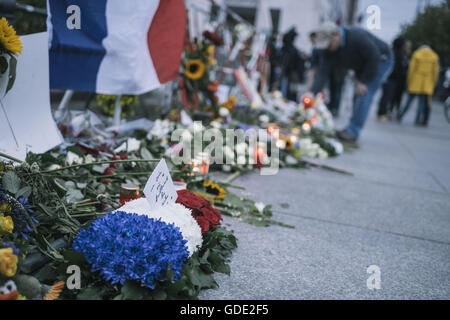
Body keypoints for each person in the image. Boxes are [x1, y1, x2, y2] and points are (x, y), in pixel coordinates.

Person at [311, 22, 394, 143]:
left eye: (328, 44)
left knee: (364, 93)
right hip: (361, 65)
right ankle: (350, 128)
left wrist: (363, 81)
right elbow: (323, 73)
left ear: (336, 35)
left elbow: (374, 57)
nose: (327, 48)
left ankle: (352, 131)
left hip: (380, 60)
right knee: (357, 95)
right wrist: (312, 95)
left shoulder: (357, 37)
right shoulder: (329, 50)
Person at [397, 45, 439, 126]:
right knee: (421, 103)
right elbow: (435, 72)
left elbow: (411, 69)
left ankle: (400, 115)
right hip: (427, 83)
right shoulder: (434, 56)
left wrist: (409, 81)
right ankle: (417, 120)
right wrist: (433, 83)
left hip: (416, 81)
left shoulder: (417, 54)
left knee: (408, 101)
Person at [377, 37, 411, 120]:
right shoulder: (395, 54)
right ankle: (382, 113)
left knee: (391, 97)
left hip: (396, 80)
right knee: (387, 96)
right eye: (405, 45)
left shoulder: (402, 55)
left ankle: (387, 112)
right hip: (391, 79)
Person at [280, 28, 305, 101]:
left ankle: (288, 98)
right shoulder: (290, 49)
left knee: (289, 88)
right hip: (290, 70)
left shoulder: (290, 49)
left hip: (291, 71)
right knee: (287, 87)